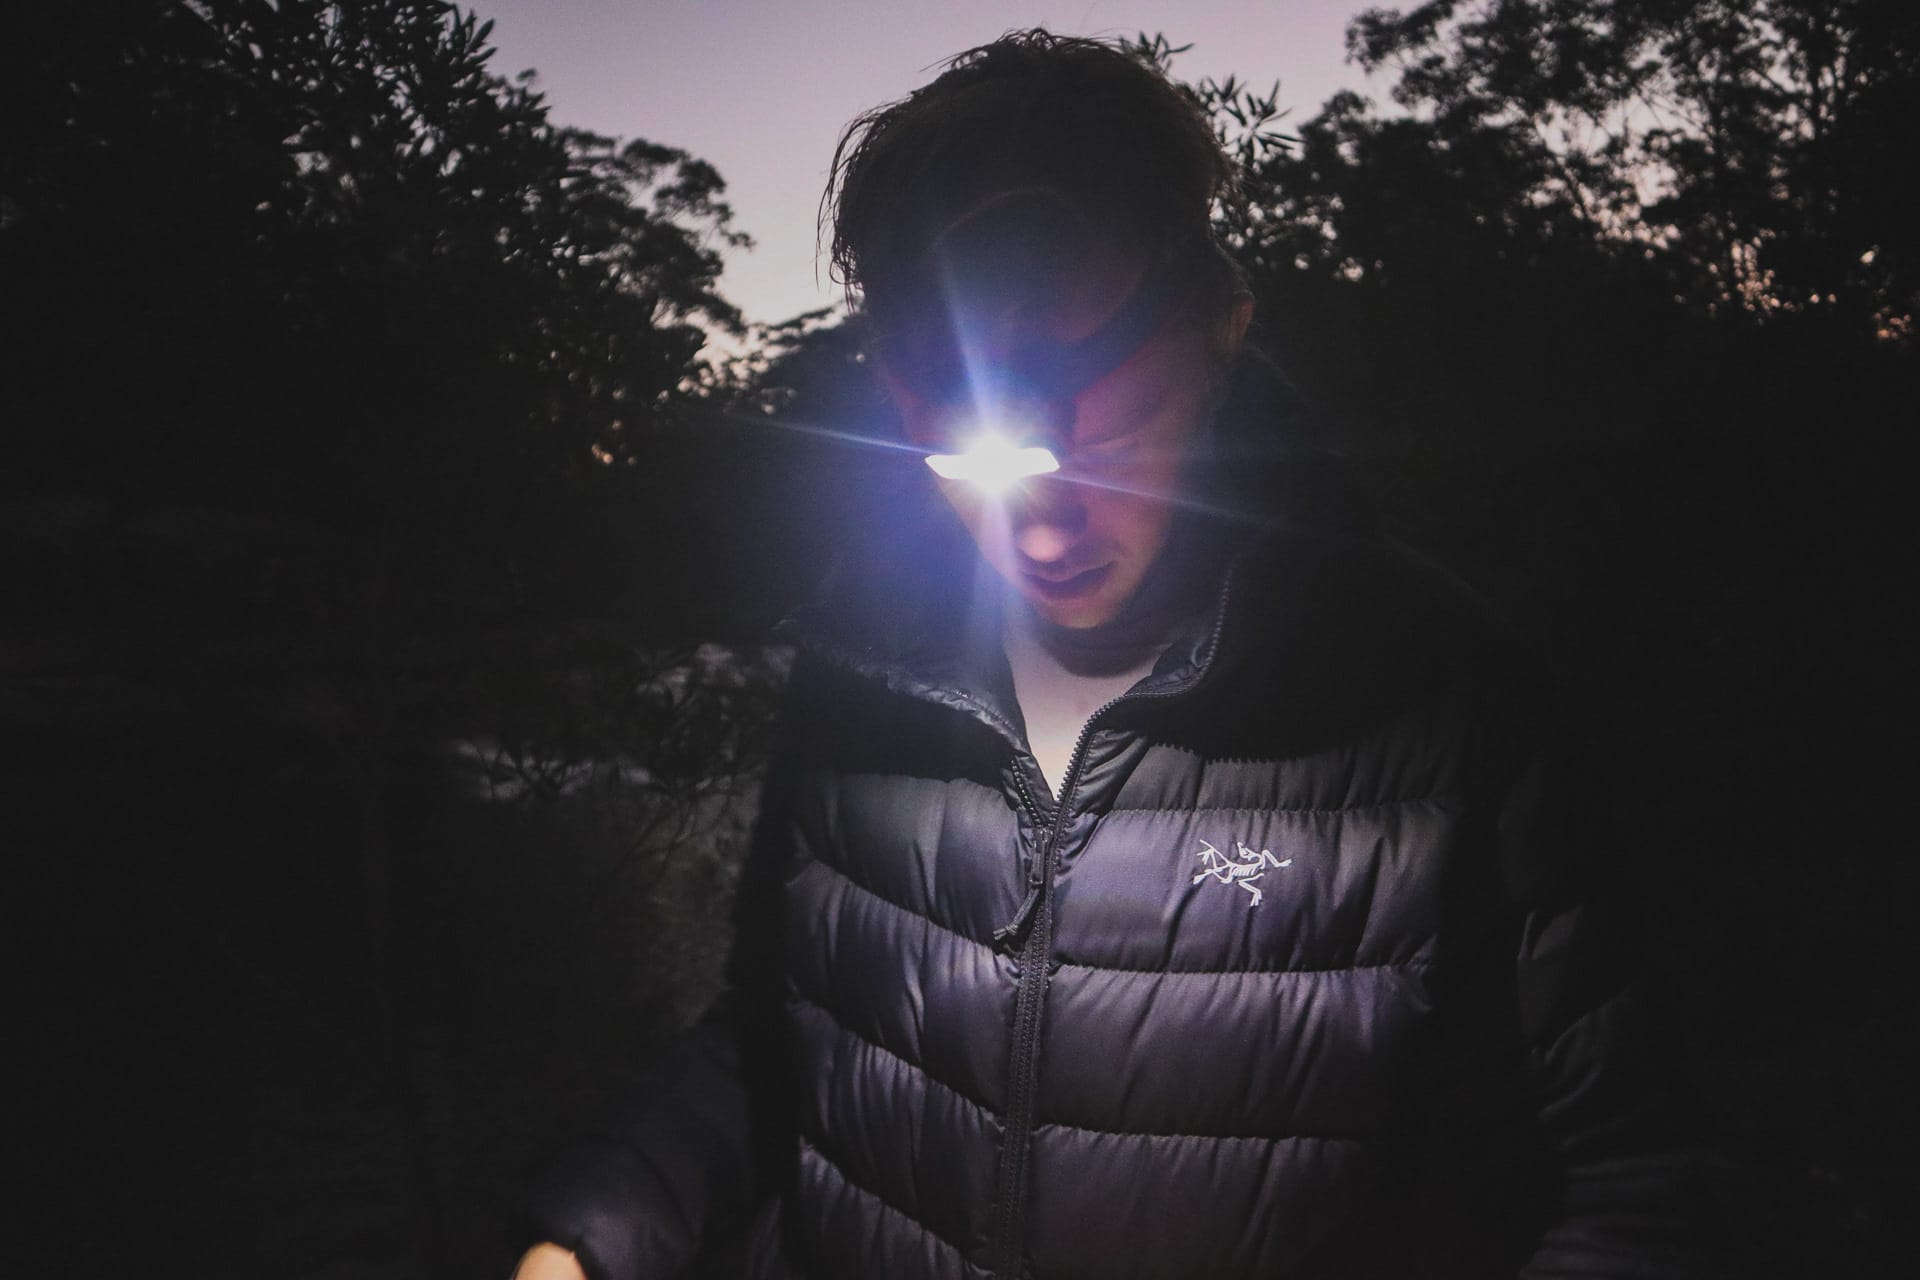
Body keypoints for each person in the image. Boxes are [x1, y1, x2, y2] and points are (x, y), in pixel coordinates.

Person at [513, 30, 1699, 1280]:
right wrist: (589, 1239)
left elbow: (1626, 1182)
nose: (1039, 522)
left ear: (1219, 336)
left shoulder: (1456, 706)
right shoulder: (860, 664)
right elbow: (773, 1040)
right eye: (978, 456)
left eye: (1105, 443)